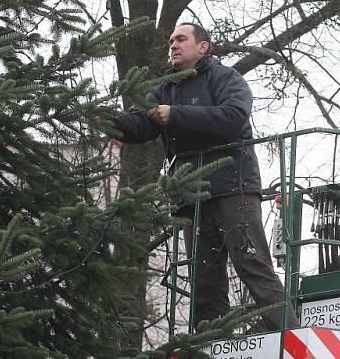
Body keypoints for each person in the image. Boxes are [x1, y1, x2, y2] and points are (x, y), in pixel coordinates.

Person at [114, 22, 298, 332]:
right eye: (171, 40)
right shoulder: (166, 87)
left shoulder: (226, 79)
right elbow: (141, 125)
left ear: (203, 47)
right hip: (192, 198)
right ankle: (206, 354)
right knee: (205, 281)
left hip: (233, 189)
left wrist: (175, 115)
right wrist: (107, 120)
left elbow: (233, 116)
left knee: (252, 265)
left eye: (181, 39)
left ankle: (290, 338)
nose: (173, 44)